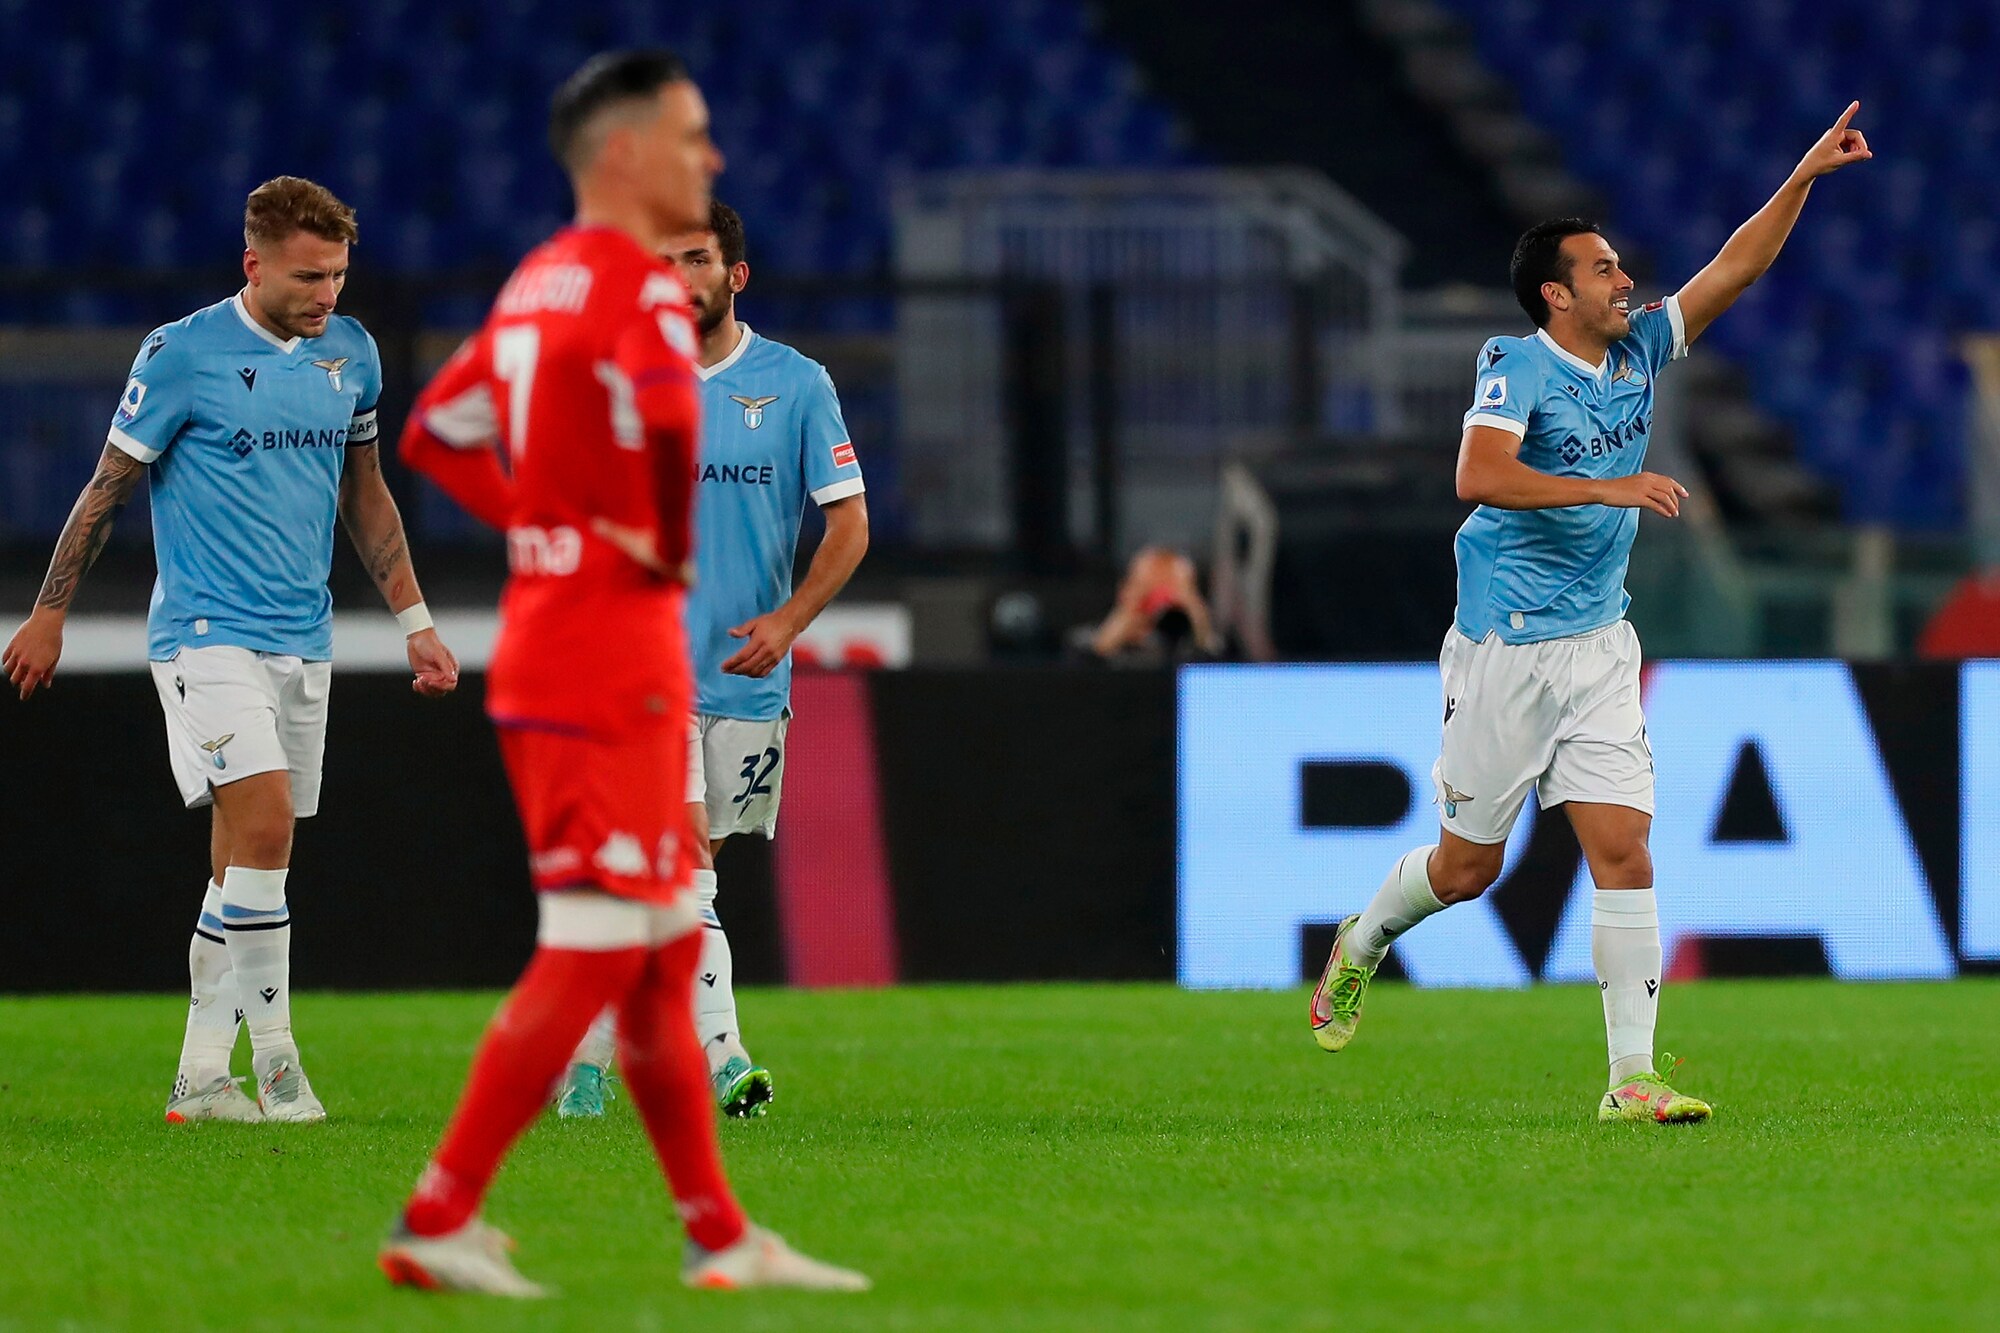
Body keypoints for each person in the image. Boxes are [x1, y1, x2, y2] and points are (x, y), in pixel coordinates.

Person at [379, 50, 866, 1296]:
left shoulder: (538, 281)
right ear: (623, 152)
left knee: (652, 940)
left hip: (561, 643)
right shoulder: (642, 299)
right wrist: (626, 547)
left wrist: (545, 529)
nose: (709, 158)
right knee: (603, 938)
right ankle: (437, 1212)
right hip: (614, 660)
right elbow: (657, 461)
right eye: (690, 137)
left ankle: (718, 1233)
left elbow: (436, 433)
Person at [1308, 103, 1873, 1122]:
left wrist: (1799, 179)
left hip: (1600, 646)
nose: (1625, 281)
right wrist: (1607, 487)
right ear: (1556, 295)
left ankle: (1629, 1078)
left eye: (1619, 267)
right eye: (1603, 270)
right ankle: (1363, 938)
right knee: (1466, 869)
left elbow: (1732, 270)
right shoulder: (1514, 362)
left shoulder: (1641, 348)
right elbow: (1478, 474)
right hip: (1505, 649)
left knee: (1623, 851)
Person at [2, 176, 460, 1125]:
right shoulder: (183, 353)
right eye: (306, 277)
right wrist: (50, 612)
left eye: (337, 275)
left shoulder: (352, 353)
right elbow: (106, 487)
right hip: (204, 636)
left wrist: (415, 619)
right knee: (268, 828)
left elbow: (366, 493)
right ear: (253, 264)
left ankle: (203, 1077)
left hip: (305, 636)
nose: (326, 295)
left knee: (242, 867)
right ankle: (280, 1063)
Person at [554, 199, 869, 1121]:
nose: (675, 278)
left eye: (694, 259)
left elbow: (849, 524)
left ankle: (585, 1058)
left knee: (671, 890)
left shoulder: (797, 385)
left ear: (735, 275)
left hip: (746, 681)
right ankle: (728, 1060)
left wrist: (790, 621)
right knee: (687, 868)